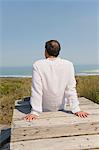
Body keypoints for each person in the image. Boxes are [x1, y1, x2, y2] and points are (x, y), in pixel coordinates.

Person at [24, 40, 89, 121]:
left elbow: (37, 90)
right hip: (61, 107)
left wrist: (35, 112)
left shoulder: (38, 65)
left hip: (43, 107)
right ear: (59, 51)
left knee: (27, 100)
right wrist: (76, 109)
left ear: (45, 51)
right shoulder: (68, 65)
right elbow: (70, 89)